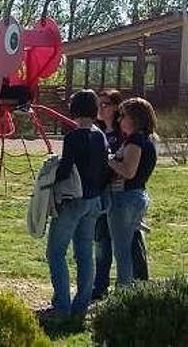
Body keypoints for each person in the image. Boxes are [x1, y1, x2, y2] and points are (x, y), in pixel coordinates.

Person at [47, 89, 108, 319]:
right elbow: (104, 169)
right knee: (84, 253)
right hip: (93, 200)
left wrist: (49, 179)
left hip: (73, 200)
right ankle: (81, 306)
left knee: (56, 252)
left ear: (75, 109)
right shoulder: (100, 135)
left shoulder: (73, 137)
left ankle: (62, 305)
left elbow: (65, 170)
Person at [92, 90, 148, 300]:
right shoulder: (98, 132)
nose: (101, 108)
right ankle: (100, 285)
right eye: (99, 104)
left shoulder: (125, 135)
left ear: (116, 107)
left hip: (121, 195)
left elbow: (128, 167)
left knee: (126, 245)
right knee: (101, 242)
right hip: (102, 193)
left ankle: (133, 288)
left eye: (105, 104)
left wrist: (110, 162)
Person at [107, 97, 157, 288]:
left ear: (135, 118)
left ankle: (124, 291)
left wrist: (108, 159)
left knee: (122, 251)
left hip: (125, 198)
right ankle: (133, 288)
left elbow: (128, 171)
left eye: (123, 116)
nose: (119, 121)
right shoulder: (147, 139)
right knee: (128, 247)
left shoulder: (135, 140)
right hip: (135, 197)